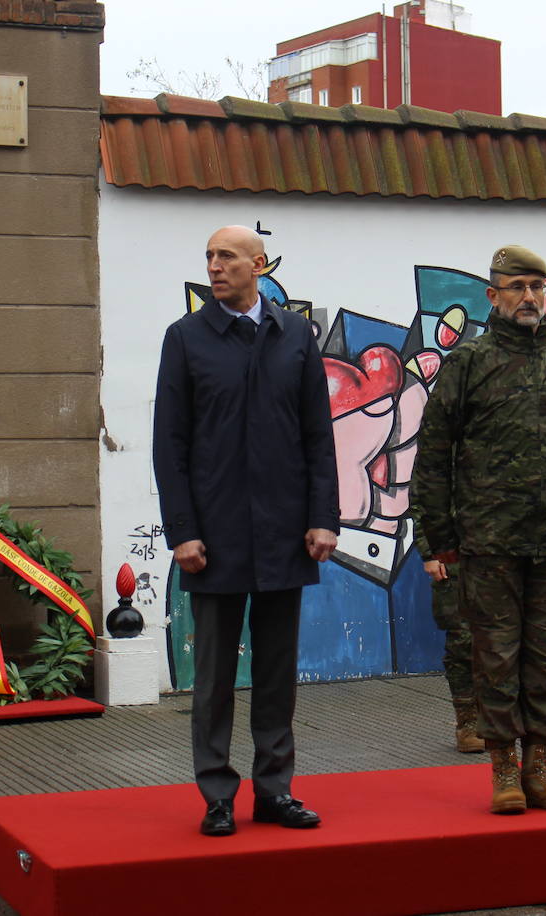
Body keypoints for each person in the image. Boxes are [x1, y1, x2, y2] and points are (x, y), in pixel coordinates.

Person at [153, 225, 340, 837]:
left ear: (258, 264)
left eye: (226, 256)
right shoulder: (186, 339)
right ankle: (216, 794)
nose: (214, 266)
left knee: (277, 673)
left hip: (287, 532)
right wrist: (182, 531)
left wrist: (323, 518)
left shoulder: (295, 337)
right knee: (212, 679)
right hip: (215, 537)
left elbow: (318, 434)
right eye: (208, 256)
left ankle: (275, 791)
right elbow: (169, 446)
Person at [412, 244, 546, 814]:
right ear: (493, 296)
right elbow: (434, 455)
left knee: (545, 658)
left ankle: (540, 765)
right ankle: (503, 770)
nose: (530, 298)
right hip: (488, 543)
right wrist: (438, 538)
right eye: (517, 287)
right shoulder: (470, 363)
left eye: (538, 288)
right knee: (494, 657)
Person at [414, 519, 479, 753]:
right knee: (462, 642)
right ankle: (468, 724)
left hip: (500, 555)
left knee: (504, 640)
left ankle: (500, 720)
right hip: (453, 558)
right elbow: (424, 504)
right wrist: (430, 554)